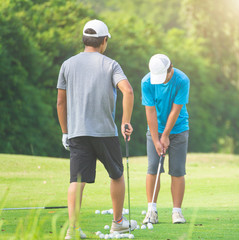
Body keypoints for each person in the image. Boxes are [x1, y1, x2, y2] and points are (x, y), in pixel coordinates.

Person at [56, 19, 135, 239]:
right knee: (117, 176)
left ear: (84, 40)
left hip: (77, 132)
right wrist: (125, 121)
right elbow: (127, 91)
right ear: (104, 40)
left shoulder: (67, 64)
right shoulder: (111, 64)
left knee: (77, 180)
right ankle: (118, 223)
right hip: (105, 132)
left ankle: (72, 230)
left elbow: (60, 103)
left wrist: (65, 131)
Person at [141, 54, 190, 224]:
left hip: (179, 128)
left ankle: (177, 212)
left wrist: (166, 135)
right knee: (153, 168)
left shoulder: (182, 80)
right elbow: (150, 111)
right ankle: (151, 211)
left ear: (171, 69)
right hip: (155, 129)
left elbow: (176, 110)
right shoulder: (147, 82)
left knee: (177, 170)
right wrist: (156, 139)